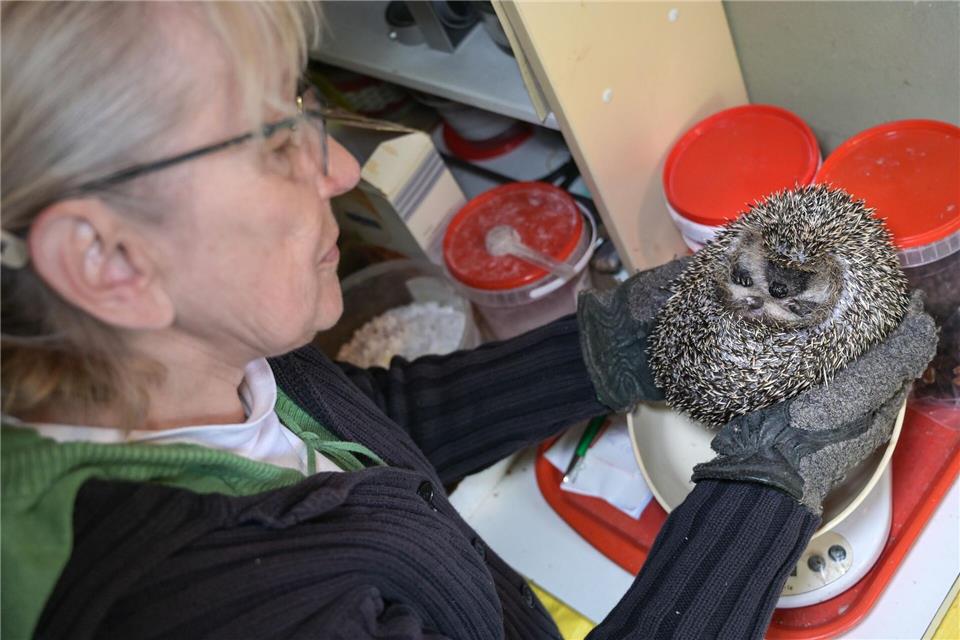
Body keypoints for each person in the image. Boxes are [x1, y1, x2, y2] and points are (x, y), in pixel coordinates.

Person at [0, 3, 936, 639]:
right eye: (274, 141)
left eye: (306, 110)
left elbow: (358, 437)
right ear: (107, 261)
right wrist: (764, 493)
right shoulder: (215, 611)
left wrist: (615, 355)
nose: (339, 172)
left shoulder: (184, 368)